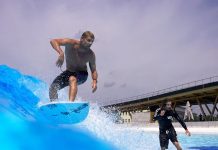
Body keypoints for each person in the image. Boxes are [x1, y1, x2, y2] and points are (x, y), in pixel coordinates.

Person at [49, 31, 98, 102]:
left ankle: (71, 104)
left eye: (92, 41)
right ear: (82, 38)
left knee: (72, 79)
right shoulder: (70, 43)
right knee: (53, 88)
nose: (90, 43)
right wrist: (61, 53)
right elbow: (53, 41)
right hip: (68, 72)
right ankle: (55, 106)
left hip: (82, 74)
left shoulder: (91, 54)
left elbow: (93, 70)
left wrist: (94, 81)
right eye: (88, 40)